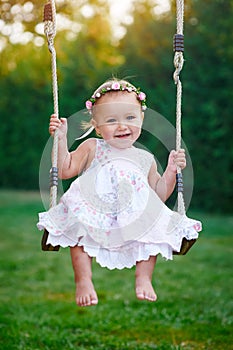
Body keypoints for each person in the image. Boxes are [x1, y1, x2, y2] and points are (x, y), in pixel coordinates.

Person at [37, 79, 201, 307]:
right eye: (111, 120)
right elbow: (65, 169)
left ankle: (143, 278)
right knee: (79, 231)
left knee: (151, 229)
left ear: (141, 119)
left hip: (132, 215)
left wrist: (172, 171)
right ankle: (83, 280)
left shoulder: (146, 159)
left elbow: (159, 194)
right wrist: (62, 139)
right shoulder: (92, 147)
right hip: (95, 207)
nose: (122, 126)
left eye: (130, 118)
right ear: (97, 126)